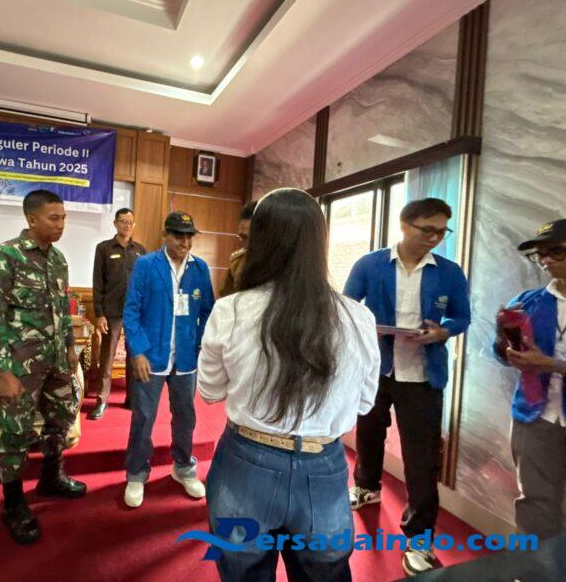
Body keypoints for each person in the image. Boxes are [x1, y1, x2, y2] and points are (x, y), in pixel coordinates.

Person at [198, 188, 379, 581]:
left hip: (246, 463)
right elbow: (365, 402)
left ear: (260, 243)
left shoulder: (230, 310)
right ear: (320, 243)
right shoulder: (359, 318)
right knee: (324, 574)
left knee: (243, 572)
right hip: (324, 467)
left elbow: (210, 391)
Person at [344, 198, 471, 577]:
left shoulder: (449, 272)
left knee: (422, 457)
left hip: (423, 375)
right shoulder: (370, 264)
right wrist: (365, 328)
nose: (434, 238)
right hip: (378, 369)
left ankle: (420, 537)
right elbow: (347, 307)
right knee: (369, 432)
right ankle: (367, 486)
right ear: (404, 224)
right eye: (426, 229)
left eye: (441, 232)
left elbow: (462, 316)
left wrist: (443, 332)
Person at [0, 189, 86, 546]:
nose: (61, 225)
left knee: (61, 418)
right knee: (16, 433)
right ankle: (12, 504)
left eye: (64, 218)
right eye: (53, 218)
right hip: (20, 367)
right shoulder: (4, 257)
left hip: (56, 360)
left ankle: (51, 478)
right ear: (31, 219)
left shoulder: (58, 259)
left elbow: (63, 308)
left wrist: (70, 348)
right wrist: (3, 372)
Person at [122, 211, 214, 508]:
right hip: (151, 357)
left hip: (186, 359)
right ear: (165, 235)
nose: (185, 242)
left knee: (186, 416)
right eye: (179, 236)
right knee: (144, 416)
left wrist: (199, 344)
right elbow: (131, 311)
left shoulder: (200, 268)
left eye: (189, 236)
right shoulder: (146, 265)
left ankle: (183, 467)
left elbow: (208, 312)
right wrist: (138, 351)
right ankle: (137, 472)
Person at [494, 219, 566, 539]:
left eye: (556, 250)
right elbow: (500, 353)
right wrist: (505, 343)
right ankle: (535, 565)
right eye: (540, 254)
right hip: (533, 416)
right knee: (534, 504)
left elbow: (545, 363)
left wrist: (550, 364)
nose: (546, 259)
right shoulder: (527, 302)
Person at [90, 207, 146, 419]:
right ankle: (102, 401)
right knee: (107, 359)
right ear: (115, 223)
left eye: (130, 222)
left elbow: (145, 283)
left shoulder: (140, 251)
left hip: (135, 314)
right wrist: (99, 314)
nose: (127, 225)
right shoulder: (104, 248)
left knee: (135, 357)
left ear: (134, 225)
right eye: (123, 221)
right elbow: (98, 283)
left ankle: (132, 399)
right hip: (111, 312)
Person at [219, 200, 257, 298]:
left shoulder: (282, 264)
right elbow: (225, 297)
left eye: (248, 237)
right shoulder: (237, 262)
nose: (245, 244)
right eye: (242, 237)